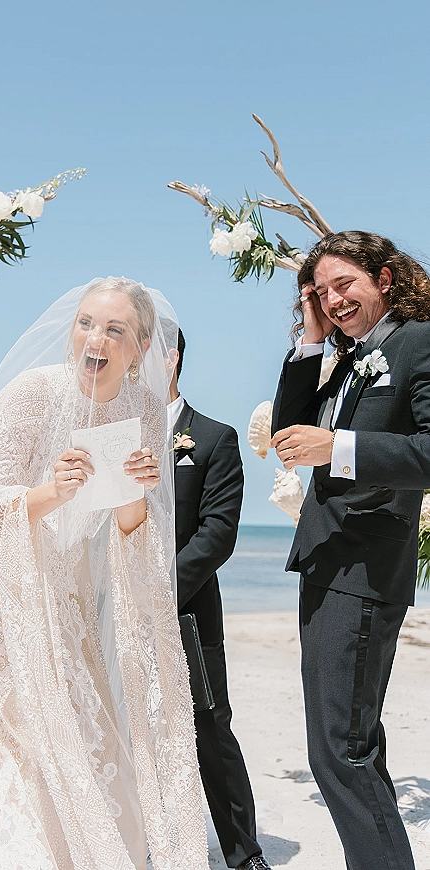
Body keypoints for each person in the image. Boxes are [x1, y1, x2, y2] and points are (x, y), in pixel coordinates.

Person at [0, 278, 210, 870]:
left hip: (70, 593)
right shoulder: (31, 392)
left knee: (80, 725)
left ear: (142, 345)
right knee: (12, 739)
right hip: (1, 590)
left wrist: (138, 490)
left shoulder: (145, 409)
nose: (94, 339)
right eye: (85, 322)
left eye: (114, 329)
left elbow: (132, 532)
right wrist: (55, 489)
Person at [271, 230, 430, 870]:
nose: (334, 300)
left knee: (340, 747)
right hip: (328, 561)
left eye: (345, 285)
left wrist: (338, 446)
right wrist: (310, 333)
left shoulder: (418, 341)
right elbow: (289, 431)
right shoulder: (345, 353)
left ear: (386, 279)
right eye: (321, 291)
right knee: (350, 742)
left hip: (365, 566)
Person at [166, 326, 272, 870]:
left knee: (208, 726)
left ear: (170, 357)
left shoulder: (212, 437)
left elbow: (217, 533)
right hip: (113, 609)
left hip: (187, 609)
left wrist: (157, 589)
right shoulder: (112, 437)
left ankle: (242, 852)